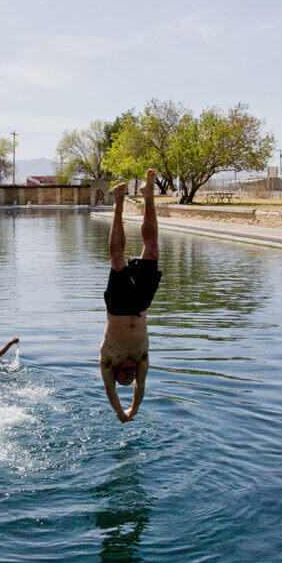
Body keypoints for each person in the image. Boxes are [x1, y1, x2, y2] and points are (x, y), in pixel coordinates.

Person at [100, 170, 162, 423]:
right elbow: (142, 386)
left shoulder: (107, 359)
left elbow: (110, 390)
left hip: (117, 306)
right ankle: (149, 196)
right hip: (140, 305)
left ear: (115, 371)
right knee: (152, 249)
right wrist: (135, 409)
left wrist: (122, 411)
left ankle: (118, 203)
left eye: (124, 377)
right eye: (131, 377)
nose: (130, 375)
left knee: (117, 259)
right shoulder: (141, 359)